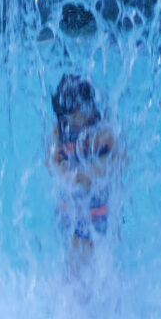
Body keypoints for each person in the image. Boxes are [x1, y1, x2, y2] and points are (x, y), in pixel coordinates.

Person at [48, 73, 119, 269]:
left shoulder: (102, 133)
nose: (69, 121)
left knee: (98, 255)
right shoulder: (60, 131)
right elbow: (53, 163)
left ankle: (103, 291)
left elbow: (115, 162)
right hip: (70, 207)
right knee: (73, 258)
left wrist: (91, 176)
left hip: (98, 206)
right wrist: (66, 175)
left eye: (73, 114)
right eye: (65, 116)